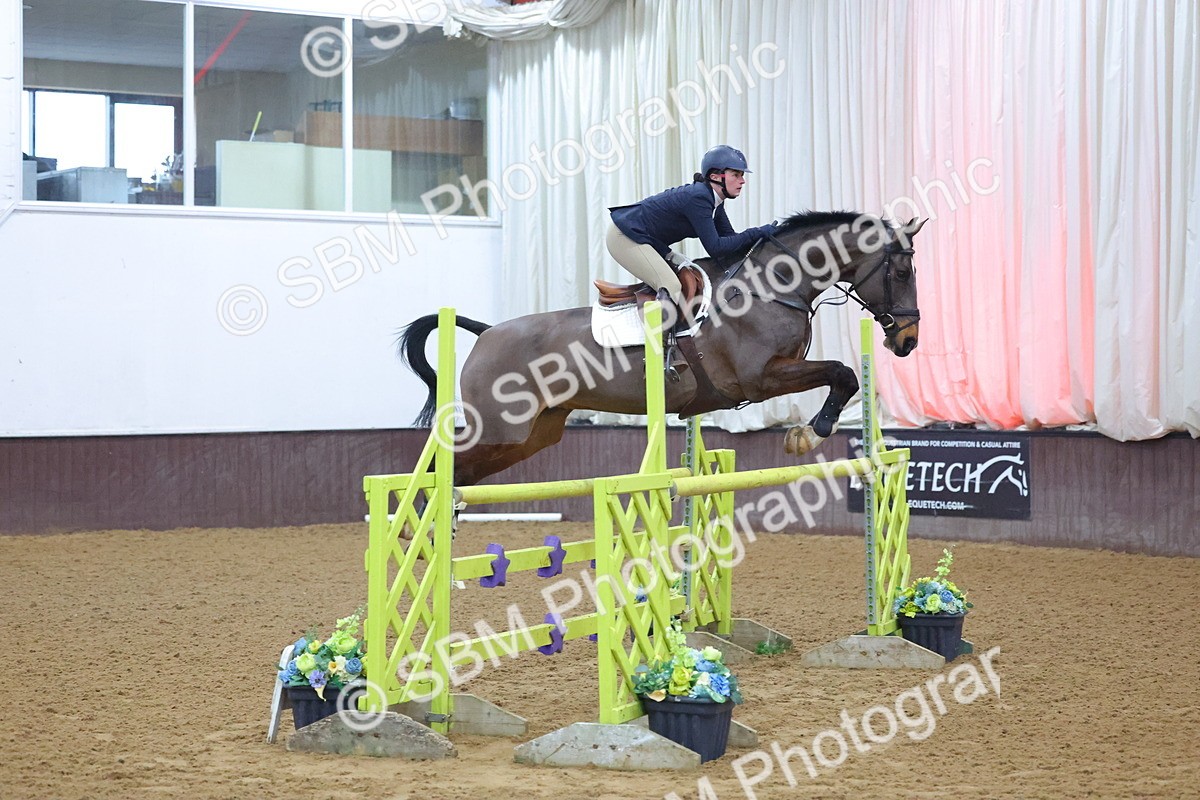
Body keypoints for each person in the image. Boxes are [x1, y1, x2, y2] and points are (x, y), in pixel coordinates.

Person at [606, 145, 777, 367]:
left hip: (648, 239)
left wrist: (761, 240)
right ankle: (662, 357)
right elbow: (715, 248)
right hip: (624, 236)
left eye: (742, 175)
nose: (742, 181)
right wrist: (756, 232)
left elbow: (731, 242)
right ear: (716, 177)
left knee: (687, 273)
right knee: (670, 285)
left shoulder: (715, 202)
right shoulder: (699, 198)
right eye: (736, 174)